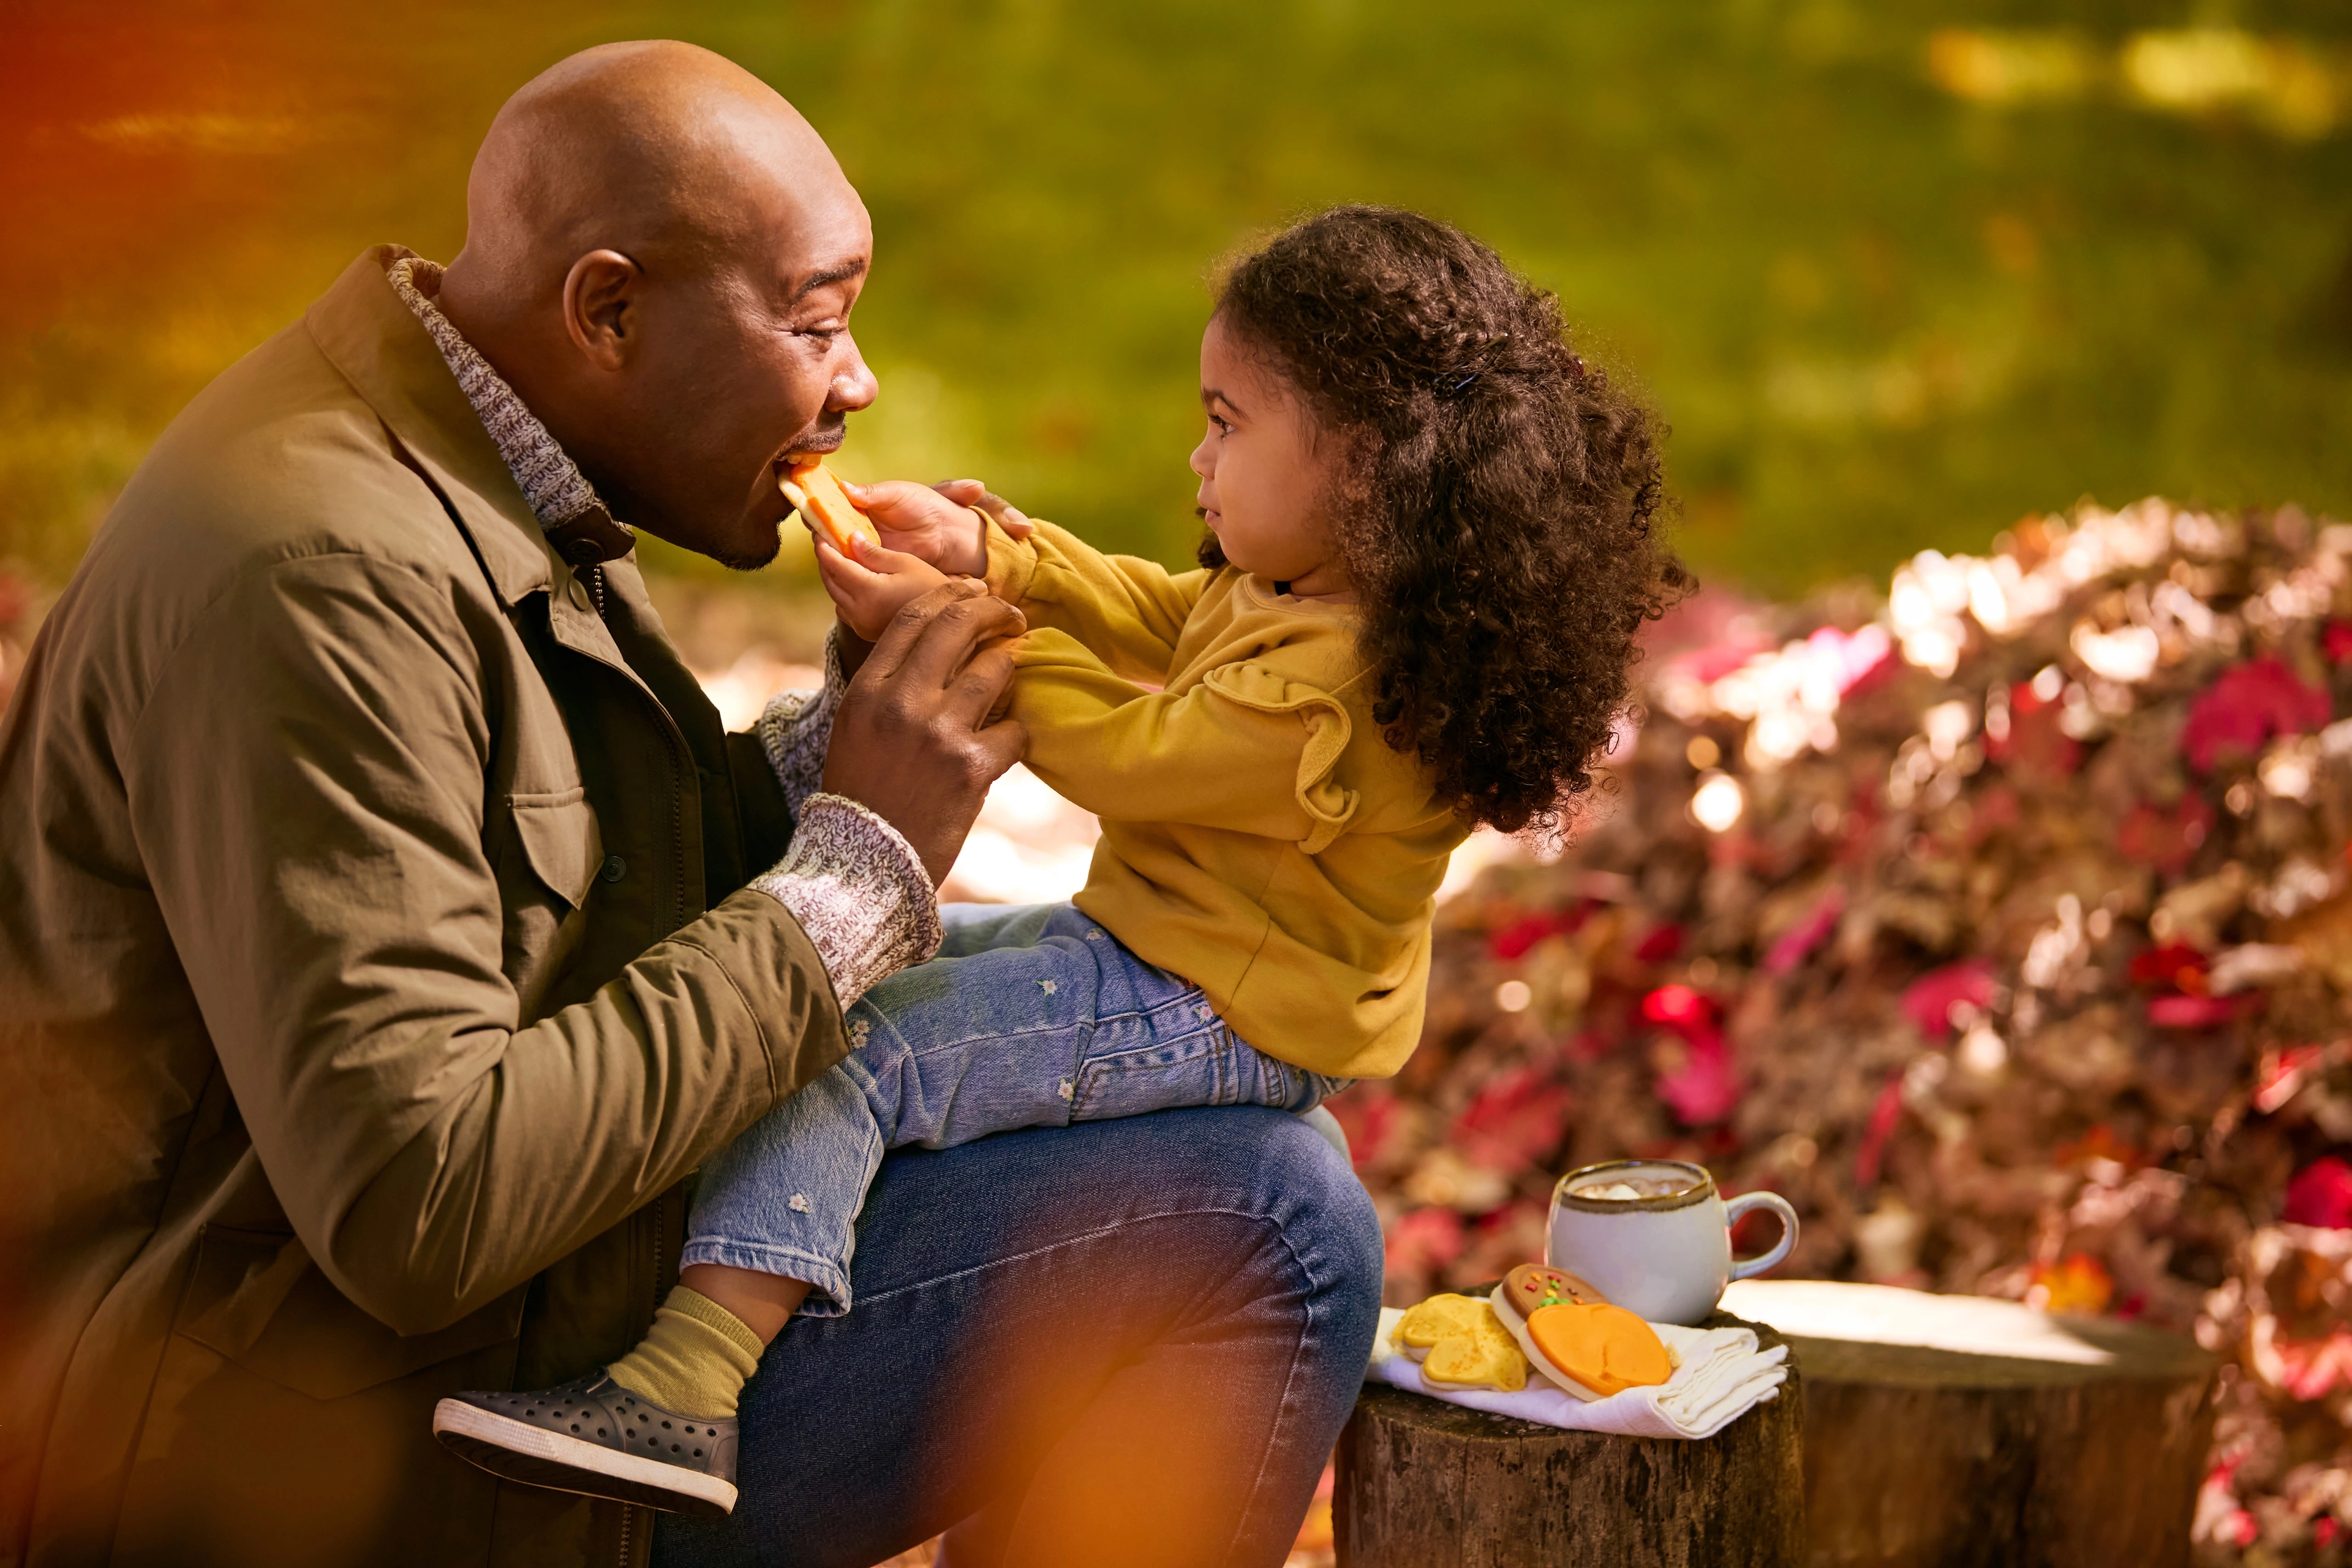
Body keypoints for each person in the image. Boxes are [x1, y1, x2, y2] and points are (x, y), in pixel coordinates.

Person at [0, 42, 1384, 1568]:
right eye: (814, 323)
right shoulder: (320, 582)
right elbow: (422, 1203)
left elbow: (580, 888)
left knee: (1186, 1103)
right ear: (608, 309)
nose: (854, 382)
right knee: (1265, 1222)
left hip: (458, 1330)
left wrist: (838, 747)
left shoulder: (482, 454)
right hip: (327, 1454)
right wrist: (856, 873)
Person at [440, 205, 1691, 1539]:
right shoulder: (1310, 591)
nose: (1195, 456)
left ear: (1364, 471)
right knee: (874, 978)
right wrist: (1001, 559)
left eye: (1226, 421)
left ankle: (688, 1378)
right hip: (1172, 955)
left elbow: (1138, 749)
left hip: (1212, 1003)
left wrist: (950, 630)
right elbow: (1166, 608)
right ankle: (739, 1276)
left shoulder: (1340, 694)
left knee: (860, 1047)